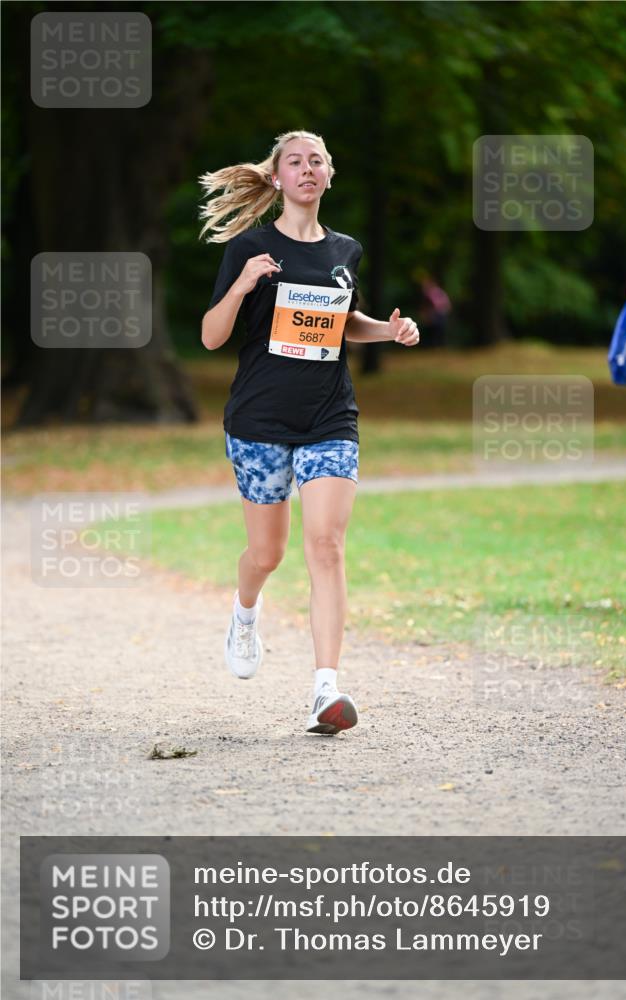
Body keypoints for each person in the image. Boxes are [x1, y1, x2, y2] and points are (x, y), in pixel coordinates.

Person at [198, 130, 420, 735]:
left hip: (330, 417)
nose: (305, 169)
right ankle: (245, 613)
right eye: (293, 161)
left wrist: (390, 331)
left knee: (326, 545)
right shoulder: (249, 247)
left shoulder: (345, 250)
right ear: (276, 179)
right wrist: (243, 285)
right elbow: (212, 337)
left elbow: (344, 324)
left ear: (328, 175)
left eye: (315, 160)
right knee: (267, 553)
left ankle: (327, 690)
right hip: (259, 419)